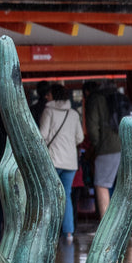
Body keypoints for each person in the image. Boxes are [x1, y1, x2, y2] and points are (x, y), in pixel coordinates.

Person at [39, 83, 84, 244]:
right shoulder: (73, 114)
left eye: (49, 94)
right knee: (66, 196)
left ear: (54, 96)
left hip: (53, 160)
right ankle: (69, 232)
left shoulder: (48, 111)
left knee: (50, 195)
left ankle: (49, 232)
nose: (46, 96)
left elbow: (42, 135)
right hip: (70, 162)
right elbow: (80, 138)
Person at [84, 81, 123, 220]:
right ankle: (127, 223)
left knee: (101, 185)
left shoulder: (95, 99)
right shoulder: (120, 98)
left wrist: (97, 145)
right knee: (122, 187)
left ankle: (107, 226)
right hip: (125, 146)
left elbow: (92, 127)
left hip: (107, 147)